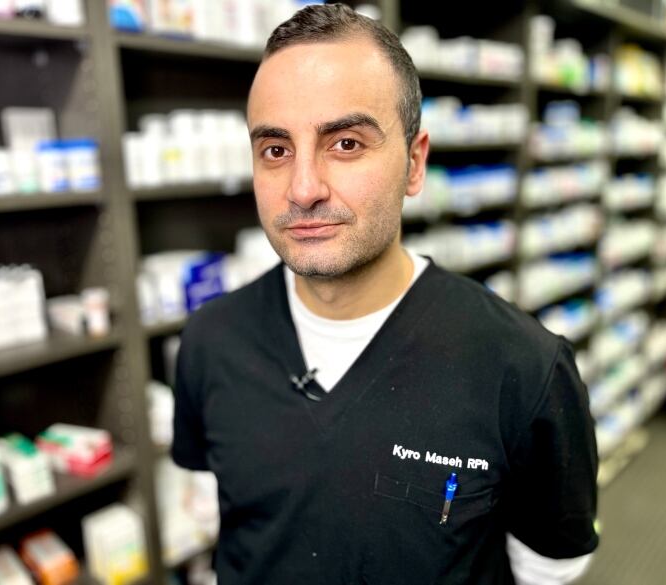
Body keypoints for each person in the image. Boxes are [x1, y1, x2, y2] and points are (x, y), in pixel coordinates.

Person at [172, 4, 599, 584]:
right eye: (275, 149)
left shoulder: (523, 368)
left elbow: (550, 568)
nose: (302, 189)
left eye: (345, 143)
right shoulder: (210, 340)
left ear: (414, 163)